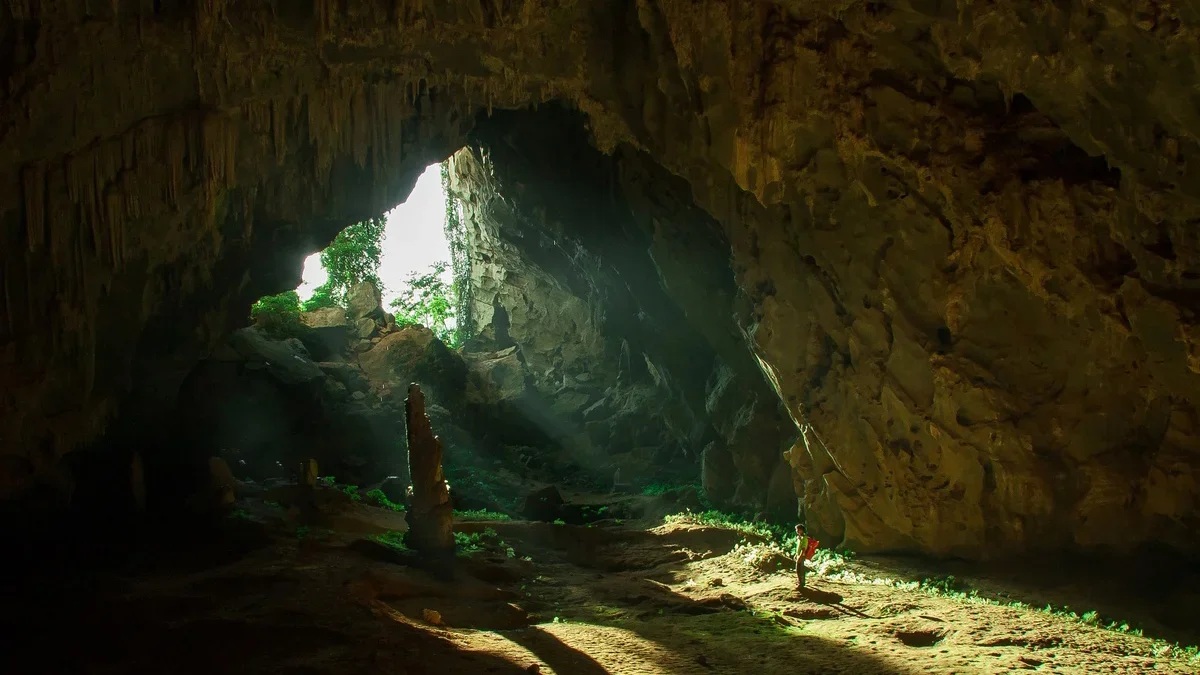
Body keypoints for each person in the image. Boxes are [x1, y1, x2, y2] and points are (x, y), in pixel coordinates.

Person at [795, 523, 818, 588]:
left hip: (801, 556)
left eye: (797, 529)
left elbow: (803, 548)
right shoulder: (800, 538)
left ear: (801, 530)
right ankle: (800, 581)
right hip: (799, 555)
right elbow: (798, 547)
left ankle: (801, 583)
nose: (796, 531)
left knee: (800, 569)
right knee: (798, 569)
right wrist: (796, 554)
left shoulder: (804, 538)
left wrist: (800, 556)